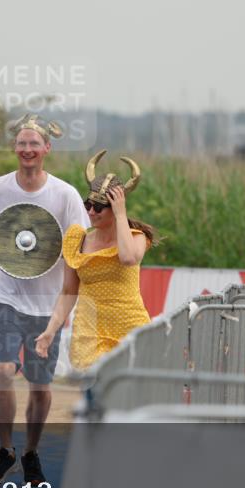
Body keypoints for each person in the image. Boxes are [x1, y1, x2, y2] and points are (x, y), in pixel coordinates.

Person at [0, 114, 89, 486]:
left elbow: (78, 244)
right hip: (5, 295)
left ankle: (31, 452)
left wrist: (74, 288)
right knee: (3, 371)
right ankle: (6, 450)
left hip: (47, 305)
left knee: (40, 386)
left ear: (46, 149)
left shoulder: (64, 195)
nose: (28, 150)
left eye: (35, 143)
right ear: (14, 148)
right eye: (22, 143)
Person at [34, 150, 155, 368]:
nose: (90, 212)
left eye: (99, 207)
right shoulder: (77, 240)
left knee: (125, 395)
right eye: (87, 204)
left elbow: (128, 259)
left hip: (128, 325)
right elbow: (68, 292)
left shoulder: (137, 238)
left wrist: (120, 215)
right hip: (89, 331)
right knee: (96, 392)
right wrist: (50, 331)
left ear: (116, 207)